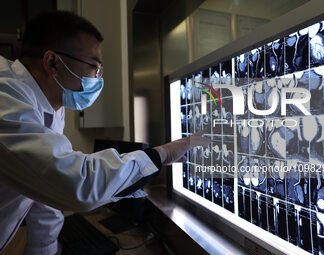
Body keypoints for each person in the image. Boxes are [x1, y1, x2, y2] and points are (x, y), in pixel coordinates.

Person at [0, 11, 207, 255]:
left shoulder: (49, 106)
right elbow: (74, 183)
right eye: (94, 67)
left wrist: (43, 250)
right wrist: (162, 154)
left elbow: (45, 193)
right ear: (52, 63)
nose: (98, 78)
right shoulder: (6, 96)